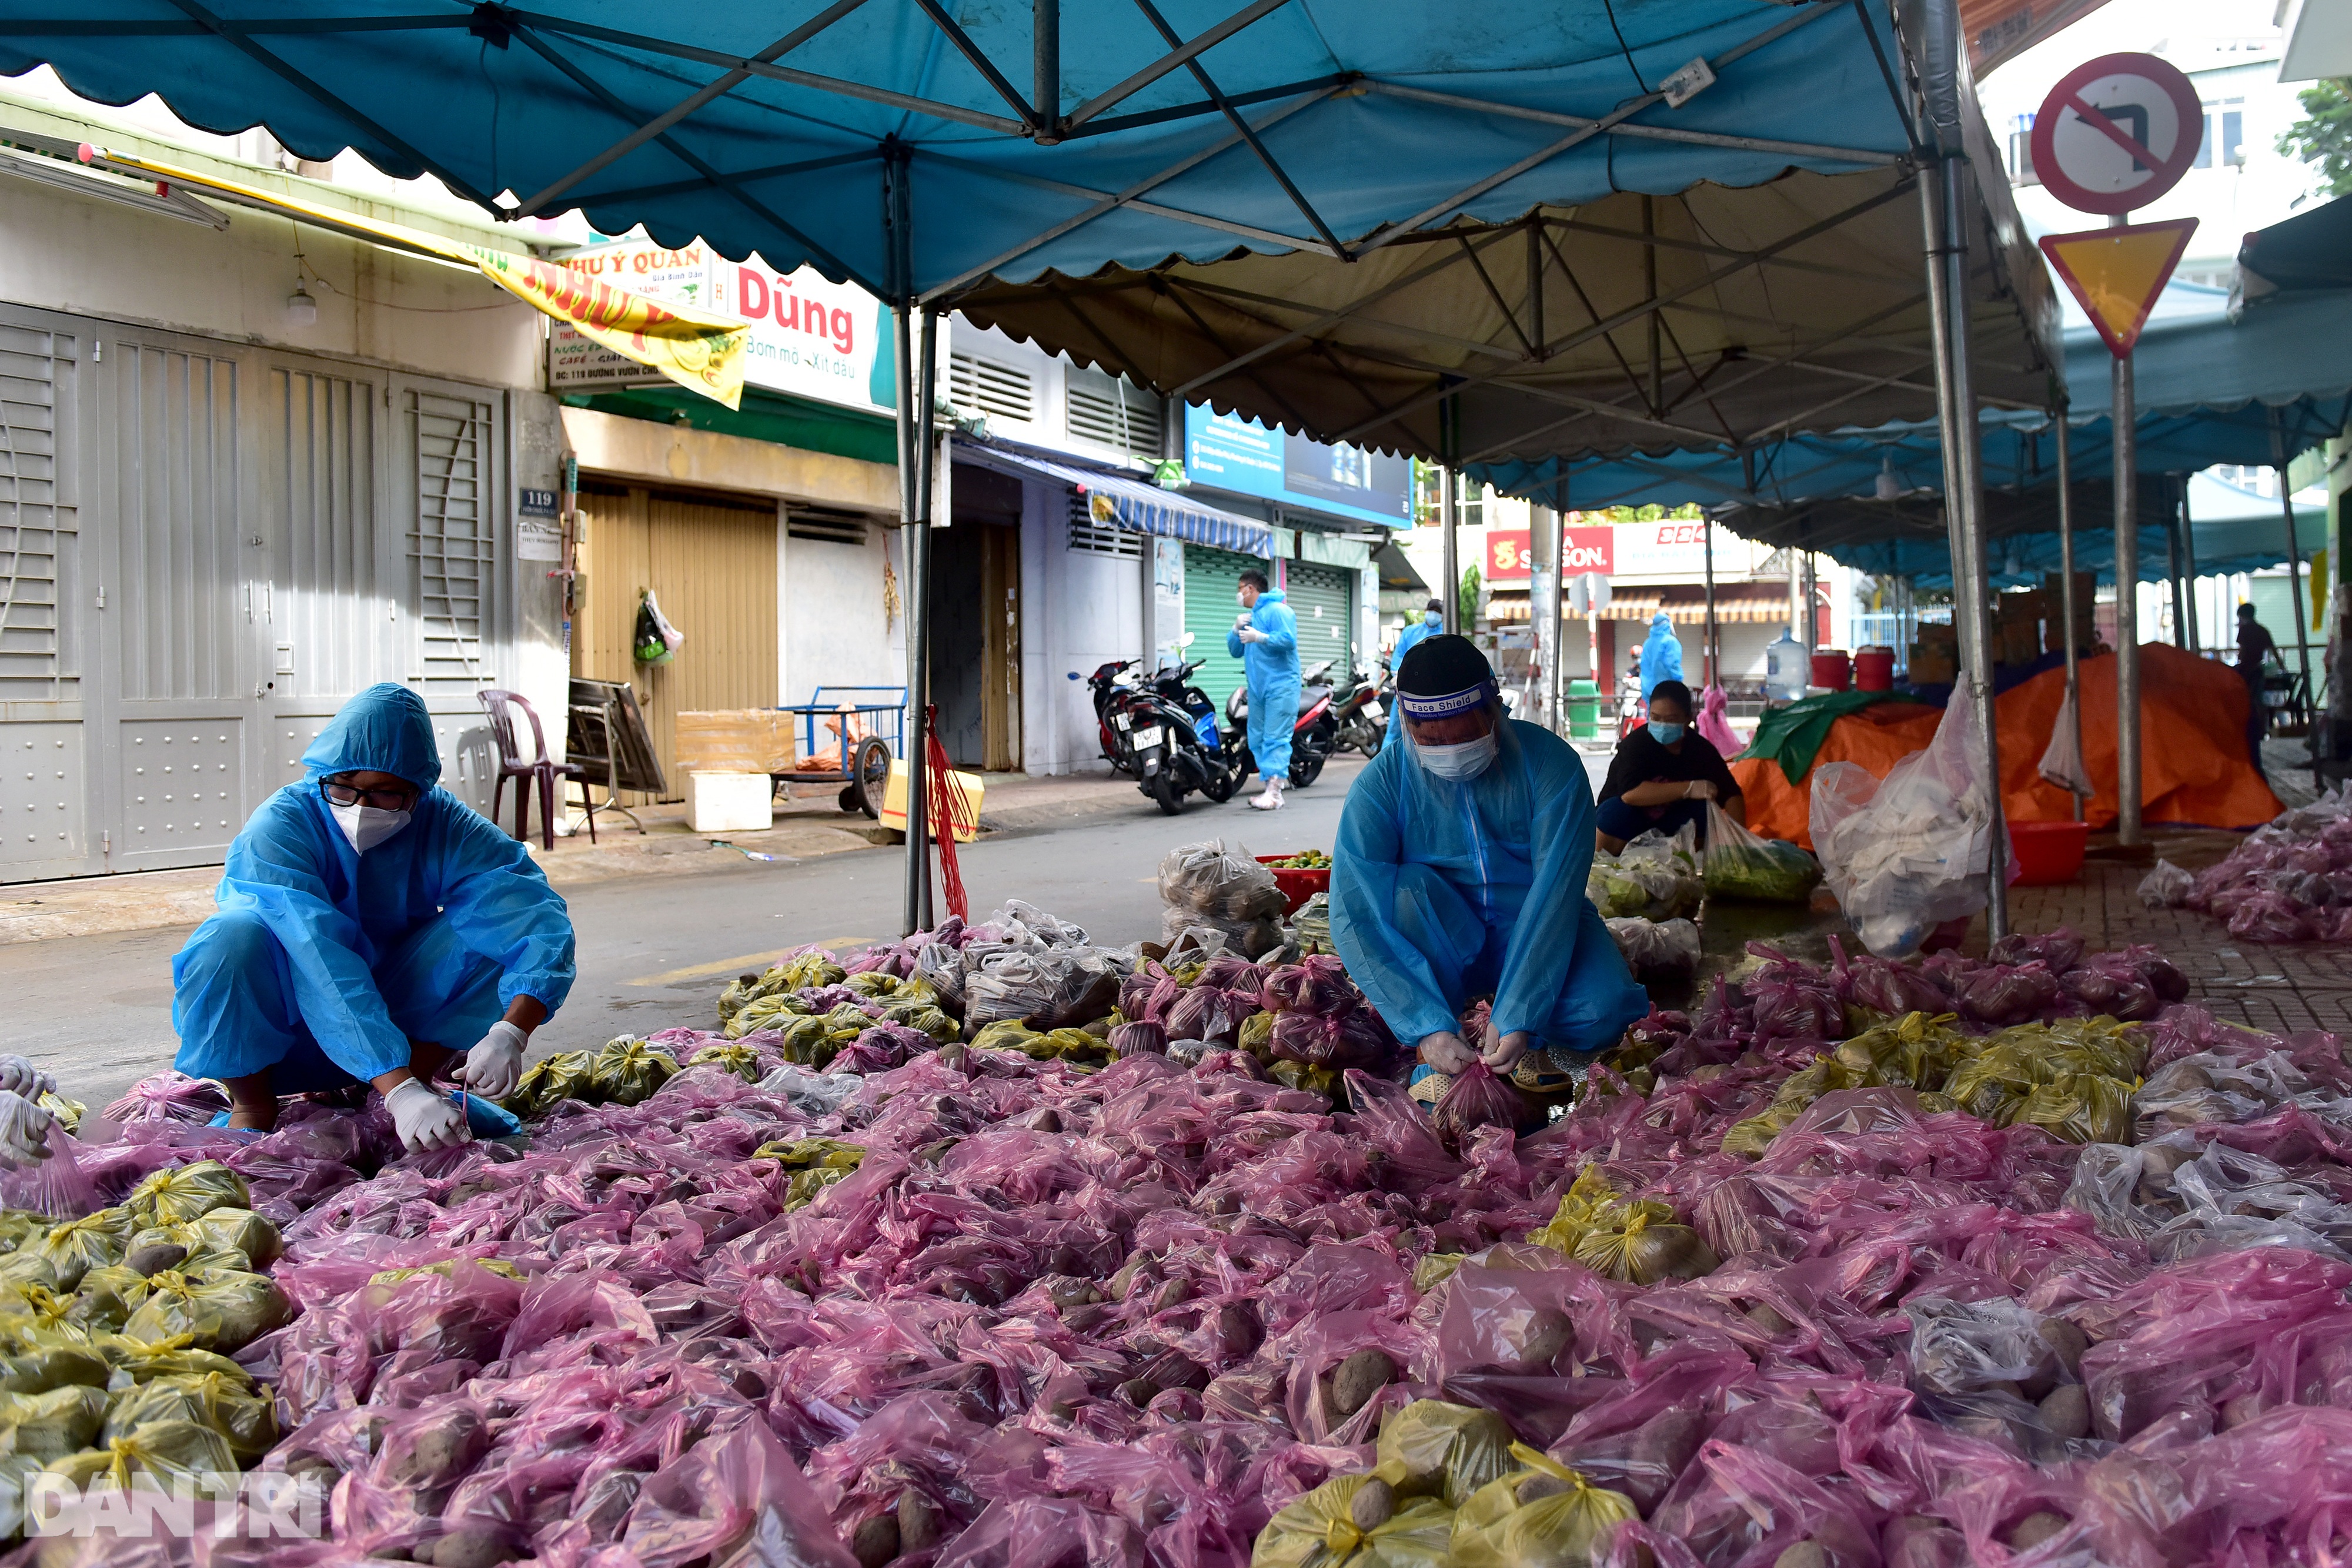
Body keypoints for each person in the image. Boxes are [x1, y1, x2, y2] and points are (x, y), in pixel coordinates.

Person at [170, 684, 576, 1152]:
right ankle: (255, 1107)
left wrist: (512, 1030)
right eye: (343, 786)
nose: (361, 808)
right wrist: (398, 1089)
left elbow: (531, 913)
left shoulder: (443, 822)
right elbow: (317, 957)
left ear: (419, 790)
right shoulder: (281, 825)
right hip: (284, 1031)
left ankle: (399, 1089)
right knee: (230, 936)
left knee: (492, 932)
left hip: (395, 1012)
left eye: (387, 794)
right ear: (323, 772)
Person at [1330, 634, 1647, 1096]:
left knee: (1603, 1010)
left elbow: (1555, 894)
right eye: (1431, 739)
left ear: (1496, 708)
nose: (1451, 750)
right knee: (1401, 893)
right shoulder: (1380, 785)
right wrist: (1424, 1024)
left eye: (1465, 734)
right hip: (1443, 934)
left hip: (1538, 923)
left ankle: (1524, 1031)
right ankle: (1440, 1033)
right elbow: (1354, 912)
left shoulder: (1551, 766)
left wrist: (1521, 1012)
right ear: (1405, 720)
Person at [1595, 679, 1745, 853]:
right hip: (1630, 821)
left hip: (1671, 824)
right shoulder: (1636, 745)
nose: (1663, 725)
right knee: (1615, 812)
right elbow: (1631, 794)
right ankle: (1602, 864)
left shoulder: (1701, 750)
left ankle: (1683, 864)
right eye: (1656, 718)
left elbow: (1731, 794)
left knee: (1703, 811)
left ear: (1687, 718)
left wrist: (1740, 841)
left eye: (1671, 719)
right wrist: (1688, 789)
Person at [1230, 569, 1300, 811]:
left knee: (1276, 737)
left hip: (1281, 686)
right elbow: (1235, 651)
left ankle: (1275, 792)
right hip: (1258, 688)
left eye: (1240, 589)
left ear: (1250, 589)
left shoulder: (1279, 611)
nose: (1238, 595)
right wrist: (1235, 629)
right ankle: (1269, 785)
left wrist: (1261, 637)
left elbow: (1288, 640)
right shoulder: (1250, 617)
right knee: (1258, 737)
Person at [1384, 597, 1445, 743]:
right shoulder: (1410, 632)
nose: (1434, 614)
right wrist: (1399, 676)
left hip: (1432, 693)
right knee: (1395, 730)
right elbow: (1398, 656)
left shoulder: (1446, 633)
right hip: (1405, 689)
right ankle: (1389, 764)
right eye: (1432, 611)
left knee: (1427, 734)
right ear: (1426, 611)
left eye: (1438, 612)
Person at [2238, 603, 2280, 782]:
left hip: (2247, 670)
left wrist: (2241, 663)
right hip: (2258, 670)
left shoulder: (2245, 630)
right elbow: (2273, 649)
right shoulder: (2262, 630)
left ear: (2242, 616)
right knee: (2258, 701)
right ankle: (2261, 729)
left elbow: (2243, 651)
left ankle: (2248, 726)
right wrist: (2282, 666)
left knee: (2245, 701)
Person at [1638, 610, 1685, 702]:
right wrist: (1679, 683)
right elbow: (1672, 665)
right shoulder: (1670, 642)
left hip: (1649, 692)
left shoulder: (1647, 643)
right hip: (1668, 692)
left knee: (1652, 715)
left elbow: (1644, 667)